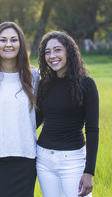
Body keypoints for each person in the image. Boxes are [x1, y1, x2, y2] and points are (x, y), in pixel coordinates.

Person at [0, 22, 40, 197]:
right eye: (3, 40)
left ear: (21, 44)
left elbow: (44, 111)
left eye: (14, 39)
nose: (9, 44)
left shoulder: (33, 75)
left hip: (27, 157)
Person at [36, 31, 99, 197]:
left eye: (57, 50)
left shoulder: (87, 84)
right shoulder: (44, 84)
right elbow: (34, 121)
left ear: (68, 52)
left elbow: (92, 130)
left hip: (73, 161)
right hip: (44, 160)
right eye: (47, 52)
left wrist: (89, 172)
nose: (52, 56)